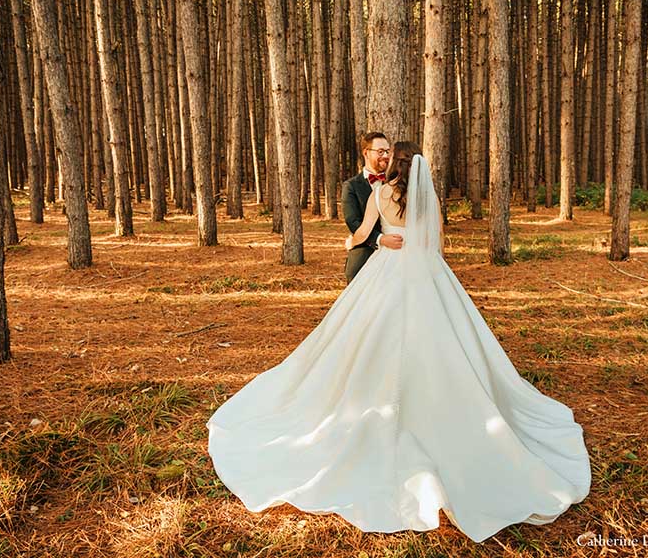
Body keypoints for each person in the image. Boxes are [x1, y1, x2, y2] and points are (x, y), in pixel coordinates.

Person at [206, 141, 592, 543]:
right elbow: (438, 243)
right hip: (428, 276)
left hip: (384, 274)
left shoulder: (378, 193)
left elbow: (358, 235)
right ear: (421, 170)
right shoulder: (426, 198)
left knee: (366, 341)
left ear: (394, 164)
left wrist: (361, 242)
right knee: (445, 345)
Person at [341, 132, 403, 284]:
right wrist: (381, 239)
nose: (385, 156)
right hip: (367, 246)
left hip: (399, 247)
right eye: (380, 151)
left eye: (388, 151)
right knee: (355, 277)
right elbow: (353, 222)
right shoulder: (351, 186)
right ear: (366, 153)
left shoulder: (399, 183)